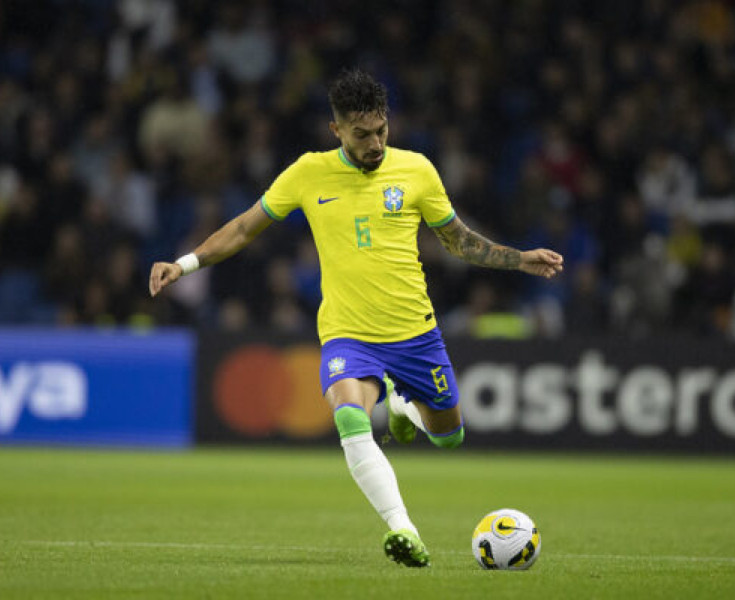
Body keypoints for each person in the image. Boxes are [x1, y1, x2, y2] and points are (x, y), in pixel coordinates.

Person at [149, 69, 563, 567]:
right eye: (362, 134)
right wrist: (184, 264)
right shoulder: (308, 172)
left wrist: (519, 259)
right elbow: (242, 229)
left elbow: (458, 241)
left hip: (416, 335)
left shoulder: (416, 170)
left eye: (382, 130)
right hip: (348, 335)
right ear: (337, 130)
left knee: (449, 435)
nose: (376, 144)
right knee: (350, 418)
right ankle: (403, 528)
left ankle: (403, 407)